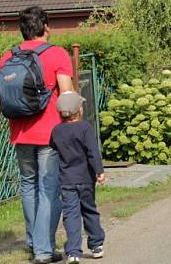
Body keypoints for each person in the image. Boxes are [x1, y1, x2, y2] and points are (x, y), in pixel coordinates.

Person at [0, 6, 73, 264]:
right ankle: (43, 251)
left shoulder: (8, 56)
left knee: (29, 186)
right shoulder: (57, 55)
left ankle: (34, 242)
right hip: (51, 135)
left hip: (19, 134)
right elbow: (66, 97)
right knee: (49, 189)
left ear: (22, 30)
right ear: (46, 27)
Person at [50, 92, 106, 263]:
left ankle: (74, 252)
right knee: (89, 209)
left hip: (67, 180)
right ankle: (96, 245)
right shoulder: (84, 128)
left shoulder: (56, 130)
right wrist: (99, 171)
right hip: (86, 179)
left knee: (71, 215)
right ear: (79, 110)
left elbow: (53, 146)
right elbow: (92, 152)